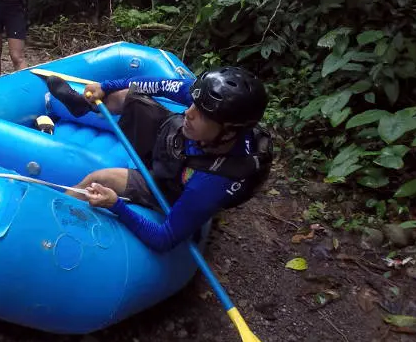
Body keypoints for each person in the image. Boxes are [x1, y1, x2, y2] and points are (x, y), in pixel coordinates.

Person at [67, 67, 273, 252]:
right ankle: (85, 106)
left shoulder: (210, 183)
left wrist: (116, 205)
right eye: (193, 104)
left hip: (176, 184)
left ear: (228, 134)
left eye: (202, 114)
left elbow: (164, 239)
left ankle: (52, 218)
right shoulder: (212, 106)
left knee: (101, 179)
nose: (188, 113)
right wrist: (106, 86)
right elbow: (161, 85)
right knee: (127, 96)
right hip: (178, 145)